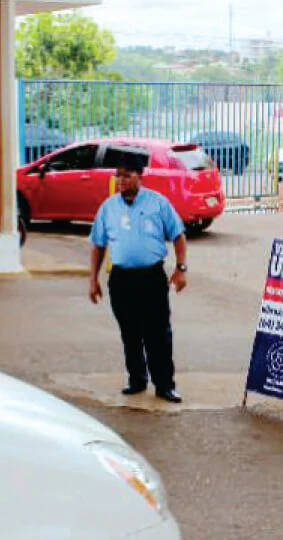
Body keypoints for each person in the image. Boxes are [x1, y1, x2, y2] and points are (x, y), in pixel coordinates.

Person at [89, 146, 187, 404]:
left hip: (152, 278)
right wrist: (93, 280)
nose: (121, 181)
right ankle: (137, 379)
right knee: (130, 333)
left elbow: (178, 235)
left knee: (158, 333)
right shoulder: (108, 208)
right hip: (122, 280)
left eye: (127, 175)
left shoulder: (157, 203)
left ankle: (165, 384)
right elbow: (98, 244)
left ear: (139, 176)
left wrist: (181, 268)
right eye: (118, 176)